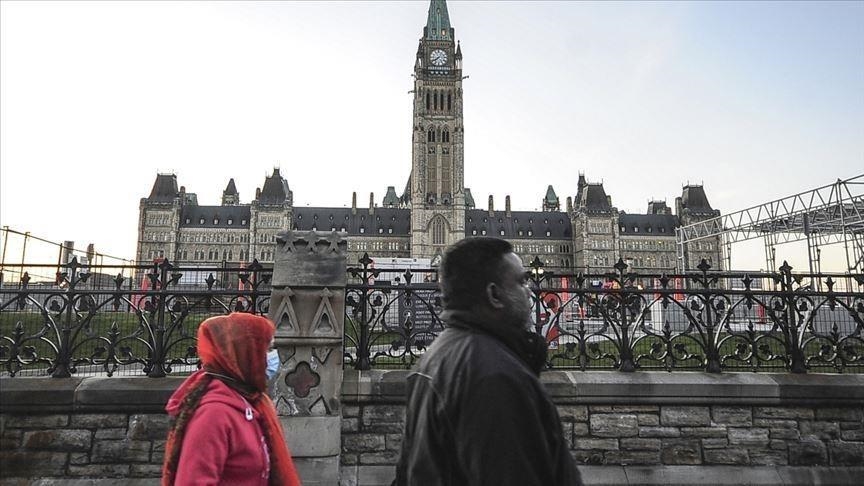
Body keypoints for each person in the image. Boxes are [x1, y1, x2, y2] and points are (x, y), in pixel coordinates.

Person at [394, 237, 582, 485]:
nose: (529, 290)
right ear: (494, 294)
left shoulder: (433, 357)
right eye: (520, 281)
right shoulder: (496, 378)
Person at [162, 313, 301, 486]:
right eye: (267, 349)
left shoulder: (252, 401)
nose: (273, 357)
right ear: (245, 353)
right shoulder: (214, 415)